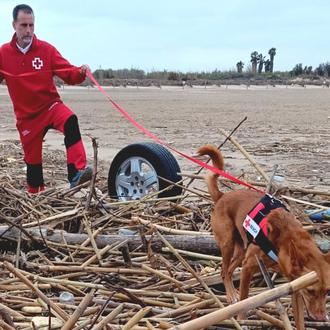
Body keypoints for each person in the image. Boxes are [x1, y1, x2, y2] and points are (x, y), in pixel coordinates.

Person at [0, 4, 92, 193]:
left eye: (31, 25)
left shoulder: (46, 50)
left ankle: (76, 173)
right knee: (34, 171)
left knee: (70, 121)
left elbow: (68, 72)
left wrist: (81, 72)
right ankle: (37, 199)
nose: (28, 31)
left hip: (50, 107)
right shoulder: (3, 54)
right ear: (14, 25)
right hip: (27, 119)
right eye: (23, 25)